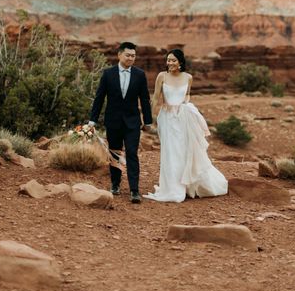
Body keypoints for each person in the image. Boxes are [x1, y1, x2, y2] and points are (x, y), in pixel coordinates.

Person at [145, 48, 228, 203]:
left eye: (173, 60)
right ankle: (172, 188)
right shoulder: (161, 76)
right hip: (167, 119)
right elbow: (155, 98)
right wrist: (149, 117)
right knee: (171, 152)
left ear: (180, 62)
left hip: (183, 119)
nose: (170, 63)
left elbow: (187, 95)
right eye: (168, 60)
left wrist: (186, 107)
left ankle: (188, 186)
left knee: (184, 151)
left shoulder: (188, 77)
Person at [89, 41, 152, 203]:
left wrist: (148, 120)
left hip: (132, 121)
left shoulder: (139, 74)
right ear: (119, 55)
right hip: (113, 120)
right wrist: (92, 120)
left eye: (133, 56)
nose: (131, 58)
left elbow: (144, 98)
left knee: (132, 153)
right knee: (115, 153)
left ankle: (134, 190)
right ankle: (115, 184)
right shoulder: (108, 74)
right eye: (128, 55)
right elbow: (99, 98)